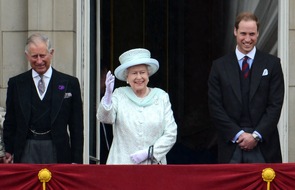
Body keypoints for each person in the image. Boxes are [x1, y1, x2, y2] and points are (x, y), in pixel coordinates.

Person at [208, 12, 284, 163]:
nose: (247, 39)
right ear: (235, 31)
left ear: (258, 33)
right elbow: (215, 107)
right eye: (243, 33)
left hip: (264, 147)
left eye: (252, 34)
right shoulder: (219, 66)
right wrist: (238, 135)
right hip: (231, 146)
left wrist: (256, 136)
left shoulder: (272, 64)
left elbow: (275, 105)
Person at [3, 33, 84, 164]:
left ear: (51, 53)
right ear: (27, 56)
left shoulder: (70, 83)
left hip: (58, 150)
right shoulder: (16, 83)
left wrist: (76, 160)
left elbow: (76, 126)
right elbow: (10, 121)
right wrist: (8, 150)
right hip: (26, 149)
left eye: (43, 55)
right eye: (34, 56)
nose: (39, 61)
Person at [96, 48, 177, 164]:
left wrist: (150, 152)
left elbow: (171, 133)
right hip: (122, 166)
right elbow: (105, 118)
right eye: (134, 73)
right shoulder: (119, 95)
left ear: (148, 74)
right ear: (127, 77)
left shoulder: (161, 97)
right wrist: (107, 96)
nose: (139, 77)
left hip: (152, 166)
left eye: (142, 72)